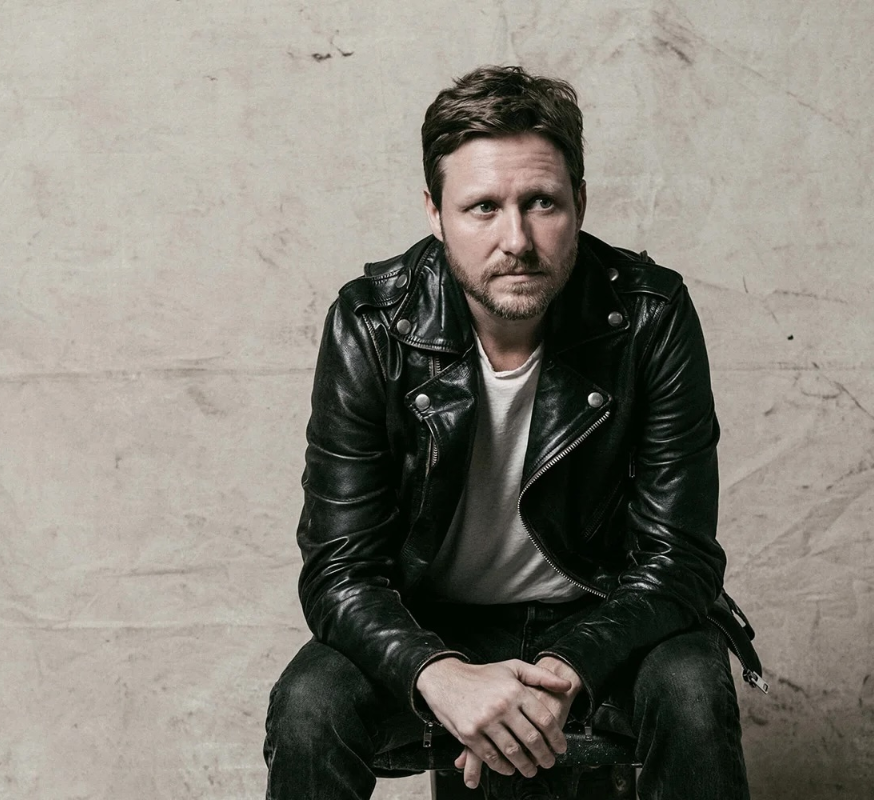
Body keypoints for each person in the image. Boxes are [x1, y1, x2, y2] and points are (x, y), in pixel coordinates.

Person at [264, 65, 764, 800]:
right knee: (311, 704)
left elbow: (680, 558)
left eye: (542, 203)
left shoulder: (649, 317)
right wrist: (441, 676)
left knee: (690, 683)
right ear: (435, 213)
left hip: (604, 617)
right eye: (482, 208)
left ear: (580, 202)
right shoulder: (371, 326)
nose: (517, 240)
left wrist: (566, 670)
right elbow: (339, 570)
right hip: (434, 626)